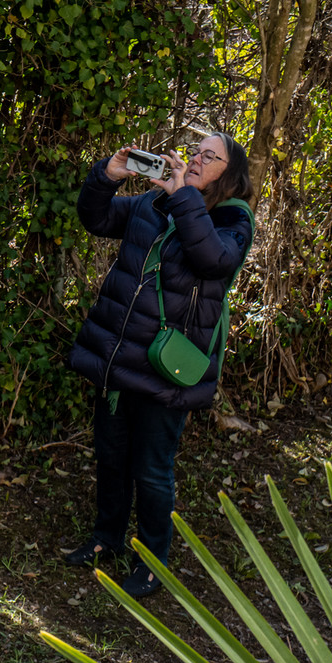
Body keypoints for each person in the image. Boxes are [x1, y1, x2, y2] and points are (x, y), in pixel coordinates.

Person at [61, 133, 255, 598]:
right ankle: (106, 539)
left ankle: (153, 561)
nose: (196, 159)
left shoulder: (232, 219)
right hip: (120, 353)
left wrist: (182, 196)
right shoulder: (154, 202)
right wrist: (108, 175)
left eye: (210, 156)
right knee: (111, 456)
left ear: (229, 173)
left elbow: (213, 260)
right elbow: (98, 217)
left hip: (167, 368)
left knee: (151, 467)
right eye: (195, 152)